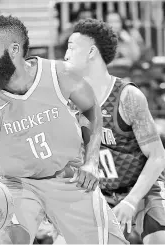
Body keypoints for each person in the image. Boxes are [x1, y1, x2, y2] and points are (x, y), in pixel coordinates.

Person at [0, 15, 127, 244]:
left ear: (13, 50)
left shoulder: (61, 74)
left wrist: (91, 162)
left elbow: (91, 110)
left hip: (68, 177)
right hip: (17, 185)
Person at [65, 18, 165, 244]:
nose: (66, 55)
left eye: (72, 48)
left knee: (159, 239)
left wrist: (131, 201)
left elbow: (158, 156)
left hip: (142, 190)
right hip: (101, 194)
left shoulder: (127, 96)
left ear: (91, 52)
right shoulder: (69, 101)